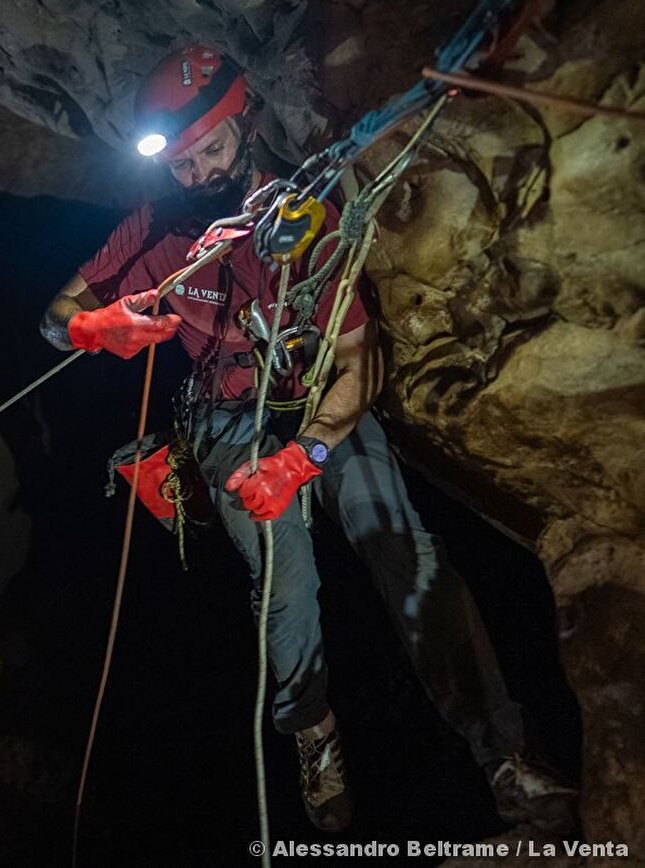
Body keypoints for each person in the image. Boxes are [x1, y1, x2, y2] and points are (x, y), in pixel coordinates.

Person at [40, 44, 576, 833]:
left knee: (403, 549)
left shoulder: (303, 222)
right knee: (284, 584)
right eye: (181, 163)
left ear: (246, 125)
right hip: (227, 419)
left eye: (211, 151)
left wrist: (306, 454)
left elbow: (359, 362)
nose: (198, 174)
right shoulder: (153, 230)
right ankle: (312, 735)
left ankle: (504, 754)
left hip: (323, 405)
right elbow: (53, 316)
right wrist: (90, 327)